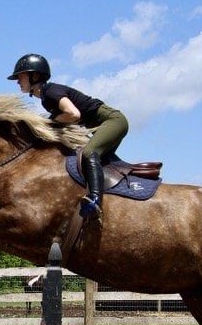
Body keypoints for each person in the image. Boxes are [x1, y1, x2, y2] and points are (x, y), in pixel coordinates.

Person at [7, 53, 129, 220]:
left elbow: (73, 114)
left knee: (88, 154)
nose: (17, 81)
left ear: (34, 75)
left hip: (113, 121)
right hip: (103, 124)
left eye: (20, 76)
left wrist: (50, 122)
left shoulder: (50, 91)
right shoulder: (45, 98)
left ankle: (95, 202)